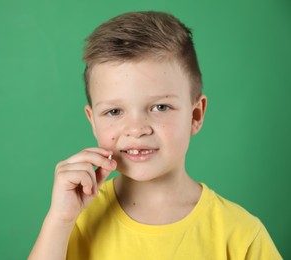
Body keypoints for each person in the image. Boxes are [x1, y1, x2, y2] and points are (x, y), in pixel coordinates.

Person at [28, 11, 282, 259]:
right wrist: (60, 220)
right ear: (93, 121)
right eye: (114, 111)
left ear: (195, 115)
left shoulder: (241, 235)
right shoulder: (73, 221)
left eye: (160, 107)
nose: (137, 129)